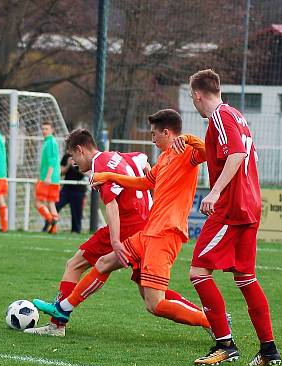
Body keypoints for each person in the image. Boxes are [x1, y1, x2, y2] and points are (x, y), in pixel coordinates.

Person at [32, 113, 211, 336]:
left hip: (149, 229)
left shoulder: (185, 153)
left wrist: (115, 240)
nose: (152, 140)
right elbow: (143, 168)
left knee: (150, 300)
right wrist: (114, 176)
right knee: (142, 289)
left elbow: (112, 206)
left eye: (154, 134)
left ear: (80, 150)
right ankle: (61, 311)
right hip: (148, 227)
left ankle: (57, 322)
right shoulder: (148, 157)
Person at [184, 69, 281, 366]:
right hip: (249, 205)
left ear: (198, 95)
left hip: (231, 207)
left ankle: (224, 344)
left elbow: (236, 154)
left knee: (199, 272)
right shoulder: (236, 115)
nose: (194, 103)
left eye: (192, 98)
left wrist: (214, 193)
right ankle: (269, 350)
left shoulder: (219, 116)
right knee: (246, 278)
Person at [35, 121, 61, 233]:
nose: (44, 131)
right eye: (43, 129)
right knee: (51, 203)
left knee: (38, 203)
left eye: (46, 129)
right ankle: (54, 229)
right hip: (55, 179)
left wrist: (48, 176)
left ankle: (50, 220)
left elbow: (52, 161)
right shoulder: (50, 142)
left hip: (49, 178)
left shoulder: (50, 142)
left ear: (52, 130)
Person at [55, 153, 87, 233]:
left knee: (76, 213)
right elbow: (61, 172)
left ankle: (75, 231)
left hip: (79, 189)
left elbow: (86, 172)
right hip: (66, 188)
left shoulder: (83, 156)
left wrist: (77, 165)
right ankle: (49, 227)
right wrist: (68, 165)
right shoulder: (66, 156)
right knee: (56, 206)